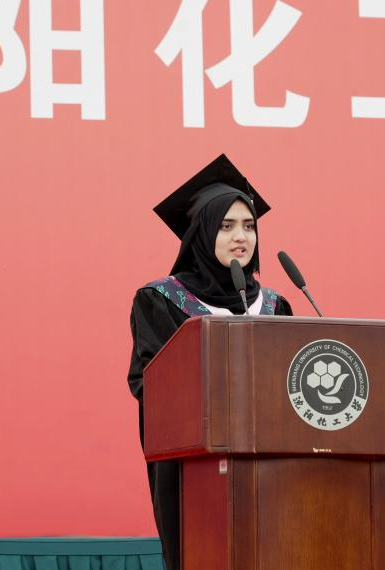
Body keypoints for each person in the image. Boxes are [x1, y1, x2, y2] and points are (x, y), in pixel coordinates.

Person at [126, 154, 293, 569]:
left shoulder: (274, 305)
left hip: (271, 467)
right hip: (192, 465)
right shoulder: (162, 300)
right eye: (226, 225)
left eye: (249, 226)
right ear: (200, 232)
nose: (241, 237)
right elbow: (149, 382)